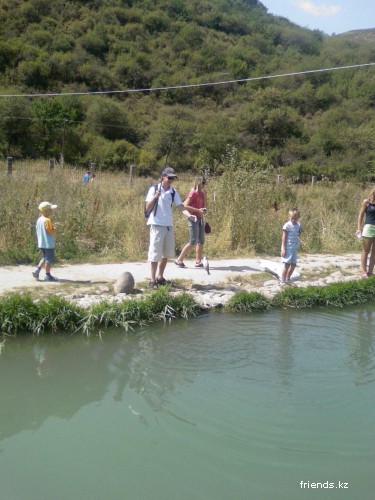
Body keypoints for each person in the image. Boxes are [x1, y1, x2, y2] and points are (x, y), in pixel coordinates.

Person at [145, 166, 196, 288]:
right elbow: (147, 207)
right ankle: (152, 281)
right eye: (169, 177)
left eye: (173, 178)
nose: (171, 180)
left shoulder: (173, 192)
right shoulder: (154, 189)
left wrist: (189, 215)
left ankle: (160, 277)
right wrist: (155, 197)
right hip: (157, 225)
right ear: (163, 177)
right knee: (154, 253)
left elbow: (181, 206)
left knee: (166, 254)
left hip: (168, 226)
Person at [175, 176, 207, 268]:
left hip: (200, 218)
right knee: (193, 241)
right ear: (198, 183)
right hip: (193, 218)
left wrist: (205, 196)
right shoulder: (193, 192)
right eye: (203, 183)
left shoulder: (201, 193)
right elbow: (185, 205)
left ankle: (198, 261)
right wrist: (198, 211)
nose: (205, 184)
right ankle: (179, 260)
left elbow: (205, 206)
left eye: (205, 183)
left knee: (201, 241)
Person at [32, 201, 58, 281]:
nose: (52, 211)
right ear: (46, 211)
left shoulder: (39, 219)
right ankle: (48, 275)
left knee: (44, 257)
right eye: (51, 210)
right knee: (49, 259)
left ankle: (37, 270)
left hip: (41, 243)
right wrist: (54, 228)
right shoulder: (47, 220)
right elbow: (50, 231)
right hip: (48, 243)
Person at [356, 187, 375, 277]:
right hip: (369, 228)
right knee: (365, 250)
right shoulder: (366, 202)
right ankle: (364, 271)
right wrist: (359, 228)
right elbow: (360, 216)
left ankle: (370, 272)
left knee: (374, 252)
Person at [280, 208, 301, 285]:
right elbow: (284, 238)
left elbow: (298, 234)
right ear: (289, 217)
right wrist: (283, 249)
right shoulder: (287, 225)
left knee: (293, 264)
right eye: (291, 218)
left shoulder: (298, 225)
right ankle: (282, 280)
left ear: (298, 218)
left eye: (295, 219)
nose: (293, 220)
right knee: (287, 265)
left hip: (294, 248)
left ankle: (288, 278)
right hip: (287, 248)